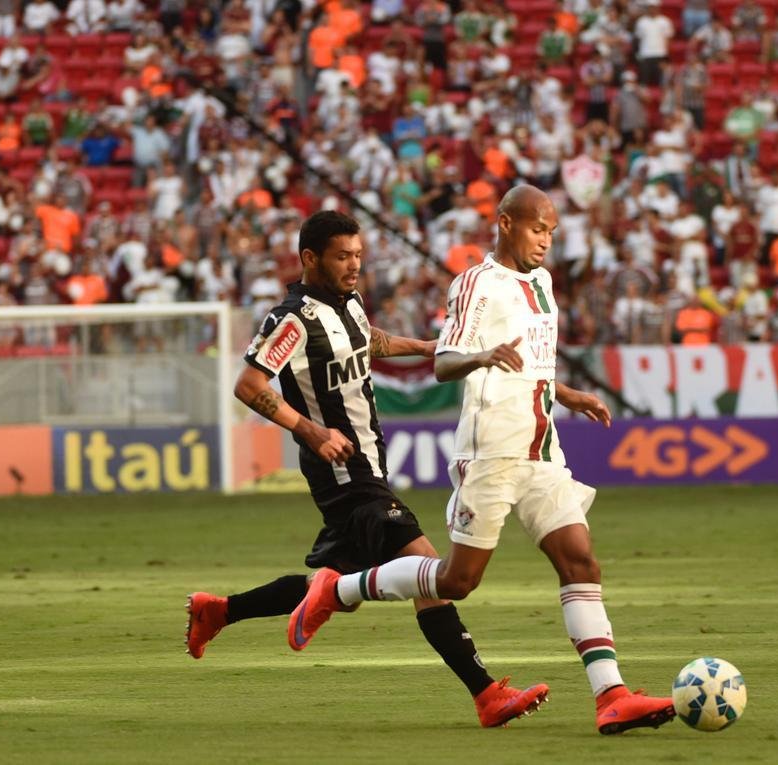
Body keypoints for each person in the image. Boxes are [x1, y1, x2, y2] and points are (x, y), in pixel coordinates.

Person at [287, 186, 677, 736]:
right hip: (491, 451)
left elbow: (530, 364)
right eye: (537, 229)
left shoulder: (542, 285)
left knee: (580, 563)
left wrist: (565, 394)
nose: (546, 241)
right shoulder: (476, 284)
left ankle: (611, 695)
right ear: (505, 224)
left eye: (552, 232)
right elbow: (446, 362)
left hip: (542, 452)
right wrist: (480, 355)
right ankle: (337, 590)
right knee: (457, 579)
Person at [184, 211, 548, 729]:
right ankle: (487, 694)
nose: (355, 266)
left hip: (367, 467)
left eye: (358, 255)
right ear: (310, 259)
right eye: (342, 257)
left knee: (341, 587)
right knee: (429, 572)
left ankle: (218, 611)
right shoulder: (295, 319)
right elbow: (249, 386)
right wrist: (310, 430)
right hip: (343, 472)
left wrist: (423, 348)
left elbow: (366, 339)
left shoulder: (346, 302)